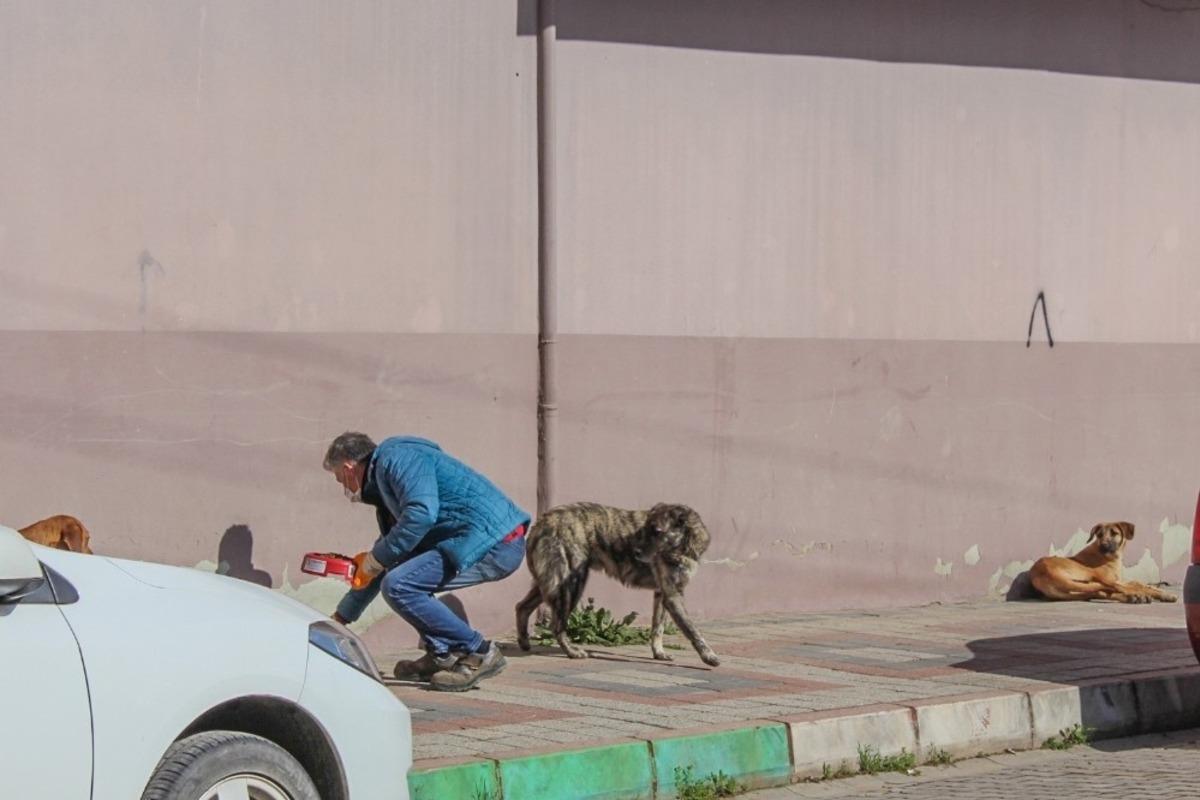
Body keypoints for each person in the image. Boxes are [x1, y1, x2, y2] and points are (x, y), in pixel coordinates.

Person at [324, 431, 530, 691]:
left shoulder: (396, 458)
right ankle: (441, 655)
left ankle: (480, 653)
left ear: (348, 467)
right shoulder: (387, 480)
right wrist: (340, 618)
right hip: (478, 539)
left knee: (400, 585)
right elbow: (386, 556)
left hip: (496, 542)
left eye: (338, 477)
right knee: (403, 576)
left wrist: (376, 560)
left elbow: (420, 516)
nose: (343, 485)